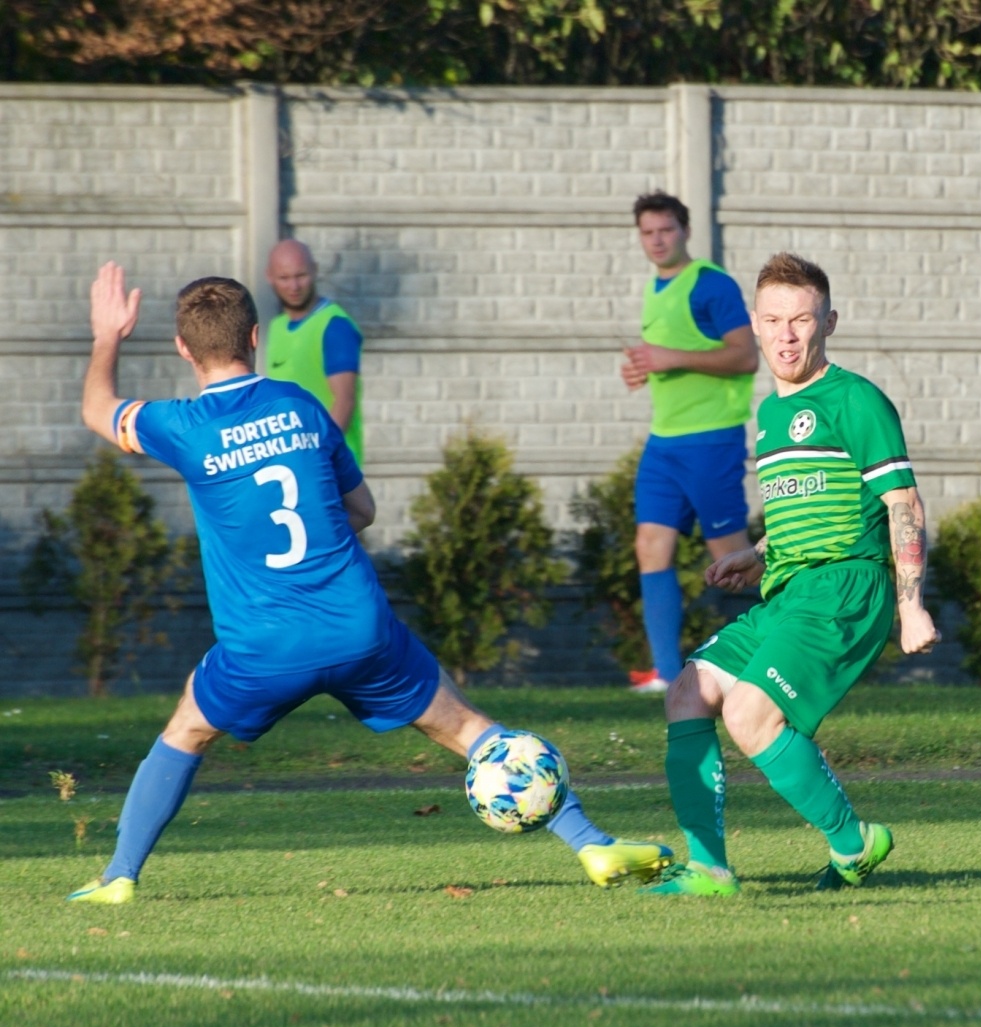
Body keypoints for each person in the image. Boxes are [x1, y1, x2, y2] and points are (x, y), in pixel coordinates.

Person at [67, 263, 670, 904]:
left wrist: (108, 335)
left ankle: (119, 877)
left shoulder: (181, 426)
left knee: (186, 730)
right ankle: (593, 844)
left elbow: (97, 410)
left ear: (184, 348)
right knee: (468, 728)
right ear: (253, 338)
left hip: (264, 644)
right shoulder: (300, 406)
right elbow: (362, 511)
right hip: (359, 628)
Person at [642, 252, 939, 897]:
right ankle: (709, 871)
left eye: (801, 320)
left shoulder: (855, 399)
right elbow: (817, 503)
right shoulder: (772, 415)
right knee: (687, 693)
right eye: (773, 320)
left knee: (751, 714)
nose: (786, 335)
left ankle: (854, 843)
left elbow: (902, 505)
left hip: (843, 590)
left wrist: (912, 605)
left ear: (829, 321)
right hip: (789, 589)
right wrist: (759, 553)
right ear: (754, 322)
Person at [621, 192, 757, 694]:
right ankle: (664, 673)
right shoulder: (655, 288)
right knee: (650, 547)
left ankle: (803, 640)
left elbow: (745, 358)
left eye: (666, 230)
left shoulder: (711, 284)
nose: (657, 240)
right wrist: (644, 368)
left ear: (685, 231)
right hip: (664, 444)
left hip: (710, 441)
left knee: (734, 561)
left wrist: (669, 357)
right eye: (647, 232)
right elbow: (666, 357)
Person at [263, 239, 365, 467]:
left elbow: (345, 400)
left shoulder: (334, 325)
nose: (294, 286)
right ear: (269, 277)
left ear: (315, 271)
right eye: (284, 278)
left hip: (331, 470)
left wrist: (319, 459)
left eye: (301, 275)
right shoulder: (278, 327)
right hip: (295, 468)